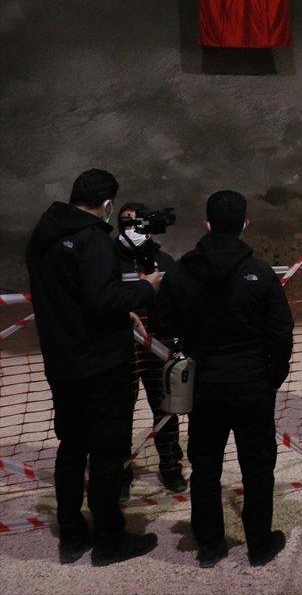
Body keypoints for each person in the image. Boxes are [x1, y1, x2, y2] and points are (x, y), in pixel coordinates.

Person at [25, 169, 162, 566]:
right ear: (107, 205)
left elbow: (76, 298)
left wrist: (121, 313)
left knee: (71, 448)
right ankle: (109, 540)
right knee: (106, 452)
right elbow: (102, 300)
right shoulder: (93, 242)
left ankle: (71, 536)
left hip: (62, 363)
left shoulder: (44, 232)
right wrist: (144, 289)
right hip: (102, 365)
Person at [153, 191, 293, 568]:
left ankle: (210, 545)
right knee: (258, 466)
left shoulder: (181, 272)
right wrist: (271, 378)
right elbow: (281, 333)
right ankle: (260, 545)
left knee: (205, 467)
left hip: (205, 386)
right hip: (251, 384)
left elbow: (163, 325)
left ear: (207, 224)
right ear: (245, 224)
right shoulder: (261, 274)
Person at [113, 201, 186, 496]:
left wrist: (176, 342)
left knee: (165, 409)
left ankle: (171, 467)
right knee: (119, 412)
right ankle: (120, 472)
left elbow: (176, 305)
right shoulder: (107, 260)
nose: (132, 229)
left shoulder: (164, 261)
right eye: (126, 224)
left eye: (137, 223)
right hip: (120, 349)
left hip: (158, 349)